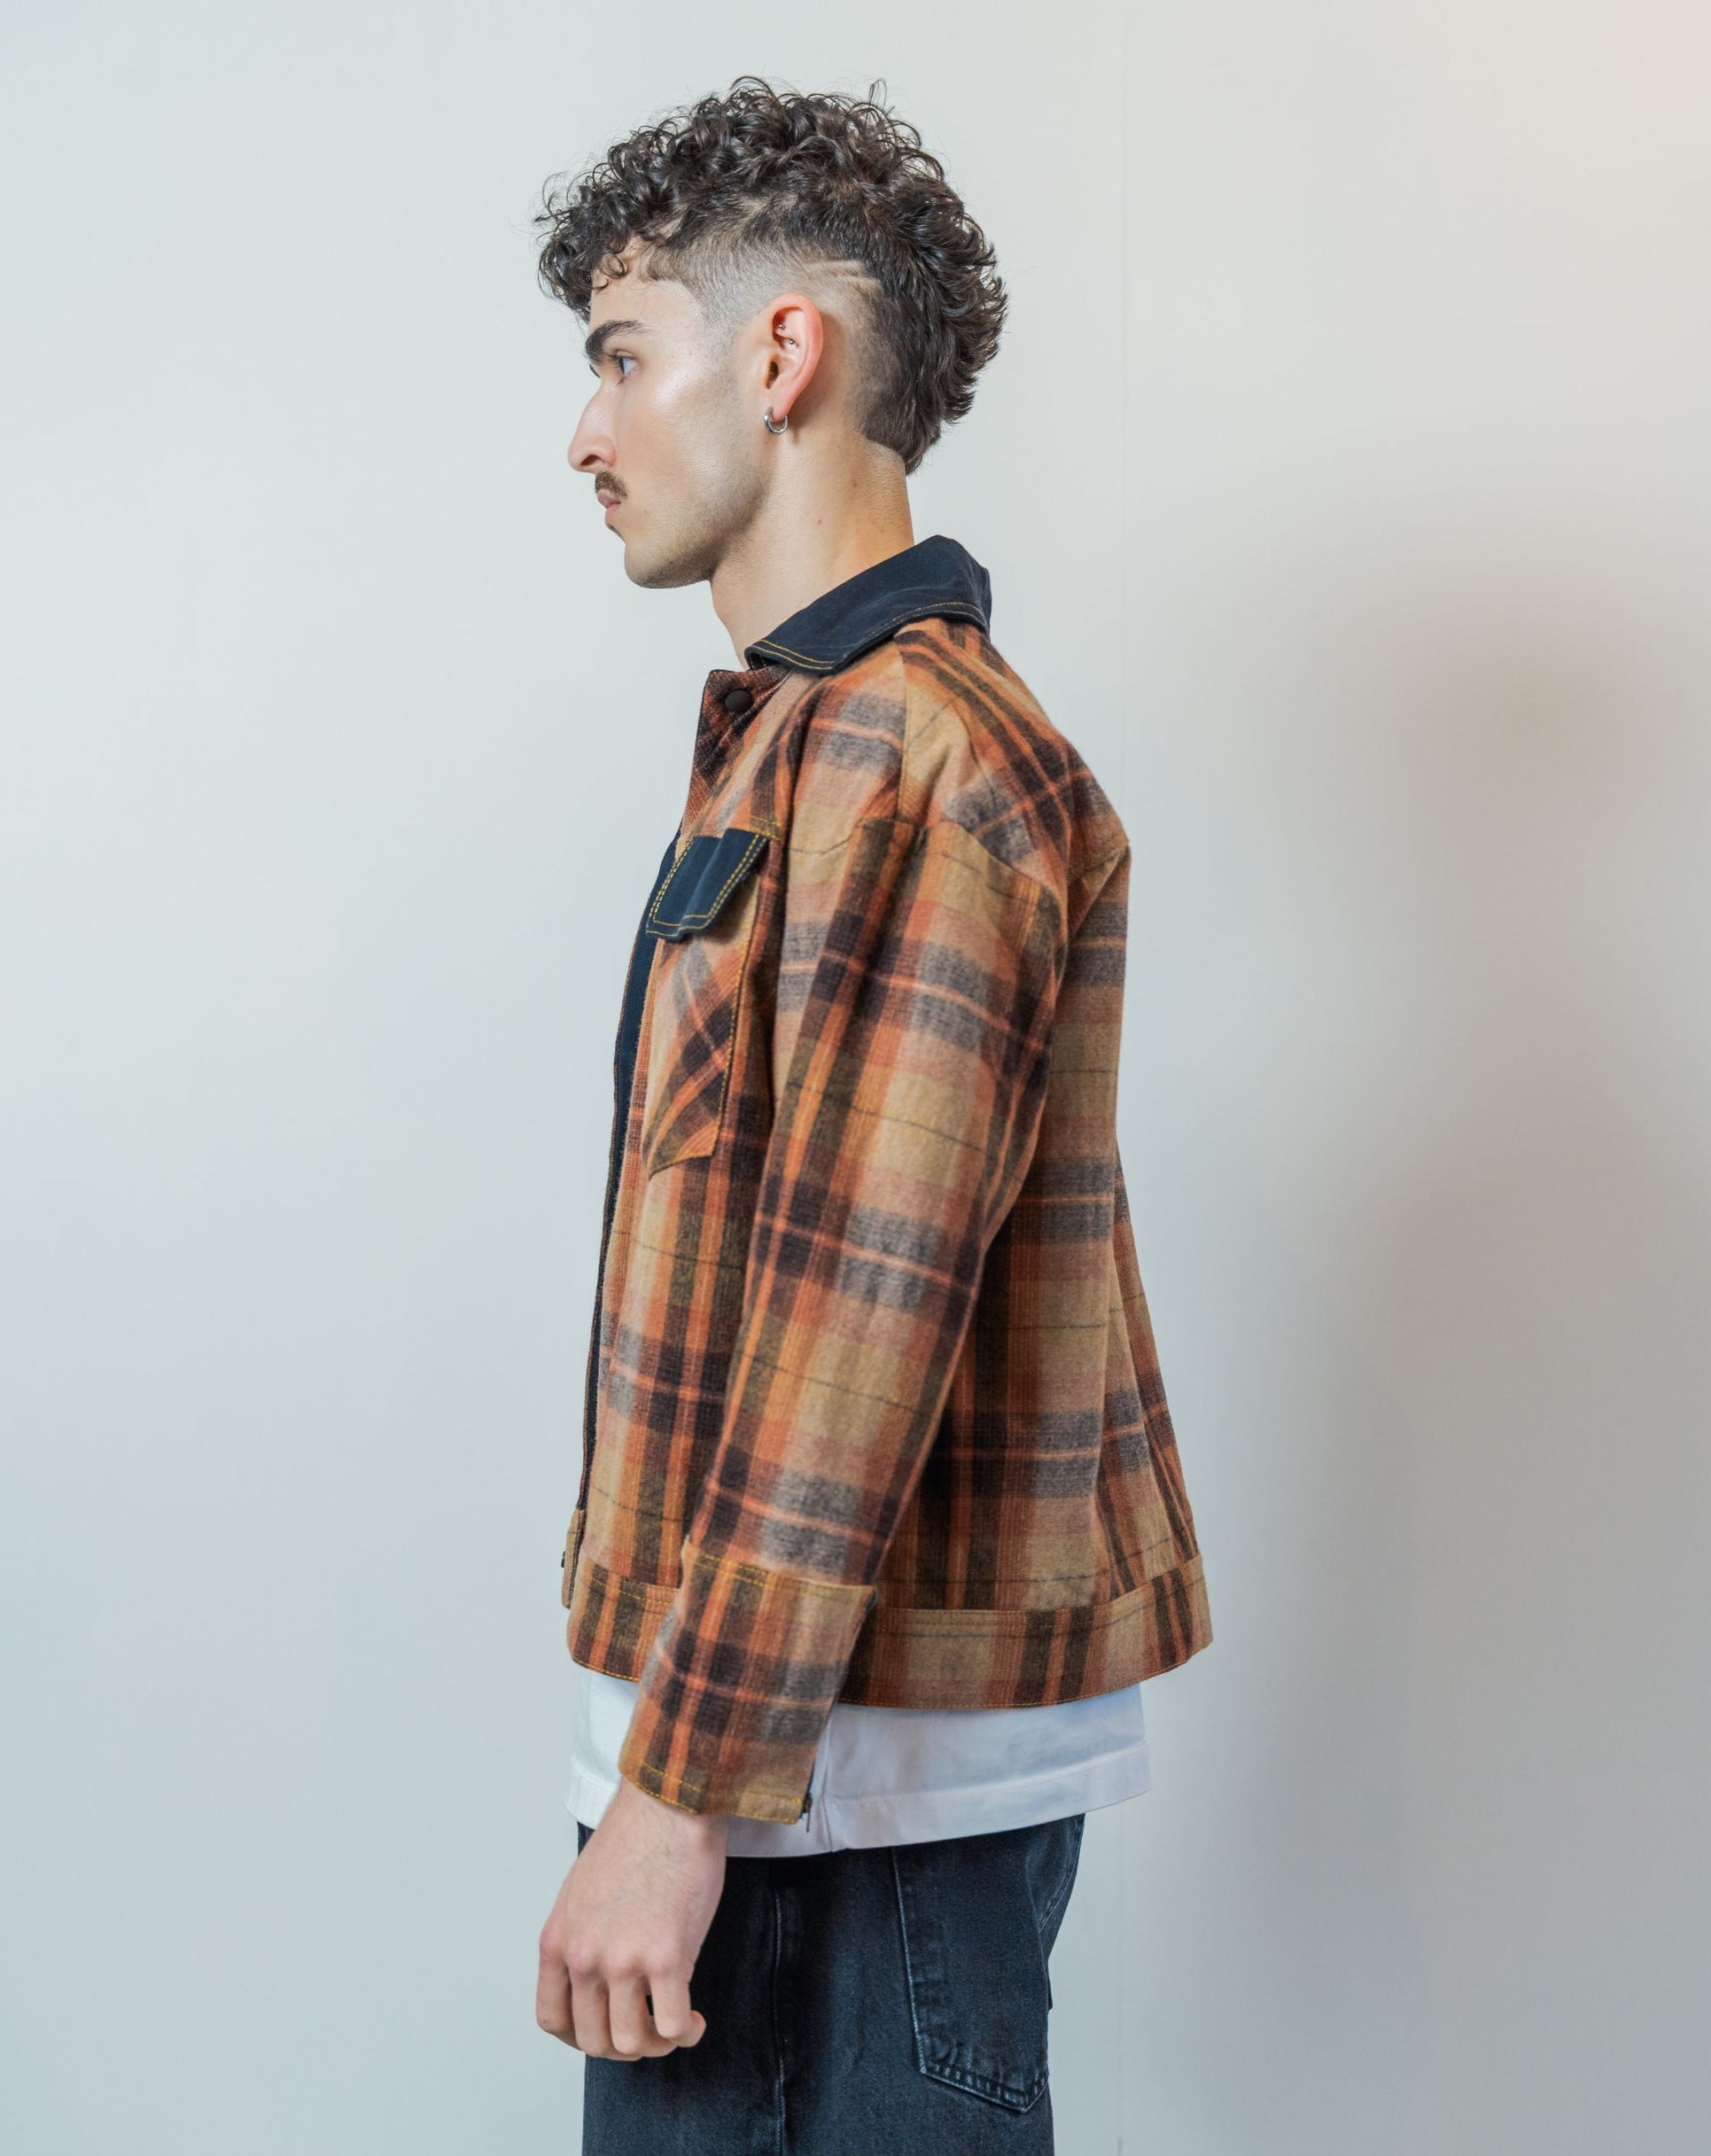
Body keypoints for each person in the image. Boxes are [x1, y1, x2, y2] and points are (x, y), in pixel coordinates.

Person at [528, 74, 1213, 2155]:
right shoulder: (805, 744)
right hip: (786, 1776)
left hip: (832, 1813)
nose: (586, 429)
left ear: (785, 353)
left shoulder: (913, 761)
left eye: (620, 358)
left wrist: (675, 1798)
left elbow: (854, 1327)